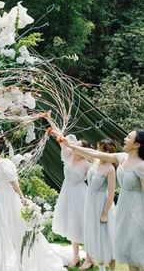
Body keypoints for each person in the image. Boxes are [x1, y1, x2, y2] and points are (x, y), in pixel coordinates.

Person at [0, 137, 66, 271]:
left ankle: (17, 258)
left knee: (12, 226)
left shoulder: (5, 163)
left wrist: (22, 198)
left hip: (8, 199)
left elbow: (14, 182)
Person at [63, 130, 144, 271]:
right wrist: (72, 146)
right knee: (129, 253)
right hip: (123, 209)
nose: (125, 139)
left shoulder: (141, 166)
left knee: (138, 252)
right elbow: (94, 154)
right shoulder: (121, 157)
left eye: (129, 137)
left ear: (137, 144)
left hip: (137, 211)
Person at [44, 113, 92, 268]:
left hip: (80, 195)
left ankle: (89, 258)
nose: (73, 146)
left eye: (77, 145)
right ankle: (76, 257)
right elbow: (61, 136)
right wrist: (49, 119)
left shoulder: (87, 164)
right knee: (72, 225)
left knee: (83, 225)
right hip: (67, 193)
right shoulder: (68, 155)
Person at [81, 139, 116, 271]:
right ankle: (101, 267)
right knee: (95, 234)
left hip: (102, 203)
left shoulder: (110, 168)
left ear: (106, 152)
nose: (96, 151)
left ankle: (111, 268)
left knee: (106, 236)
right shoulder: (95, 161)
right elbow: (78, 150)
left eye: (98, 148)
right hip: (90, 202)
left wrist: (105, 213)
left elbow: (112, 193)